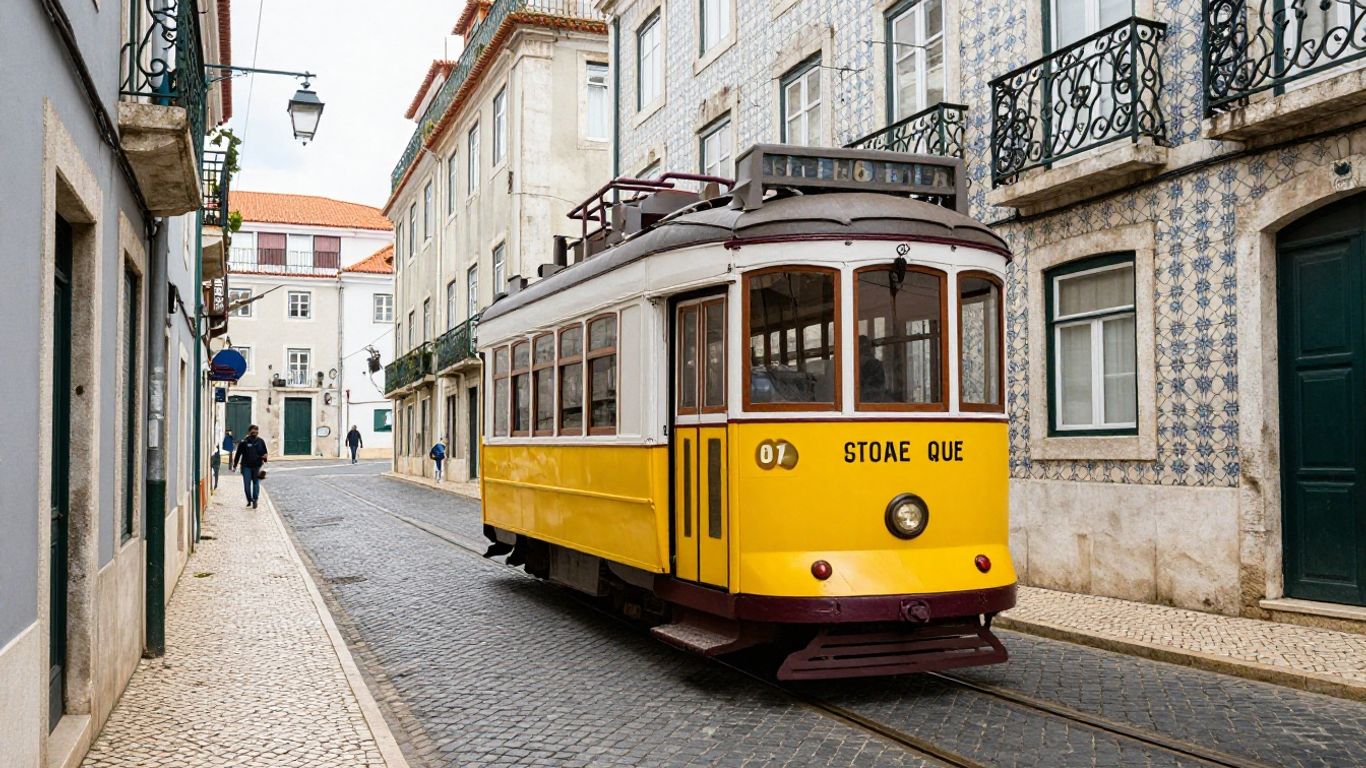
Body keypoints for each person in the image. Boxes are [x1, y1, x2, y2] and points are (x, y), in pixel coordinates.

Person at [230, 424, 268, 509]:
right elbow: (238, 454)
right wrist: (235, 465)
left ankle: (255, 500)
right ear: (249, 431)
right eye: (253, 430)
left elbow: (265, 452)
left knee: (256, 483)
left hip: (257, 466)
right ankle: (249, 499)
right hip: (246, 466)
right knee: (247, 485)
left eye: (256, 430)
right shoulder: (244, 442)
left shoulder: (261, 441)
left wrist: (265, 457)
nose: (255, 432)